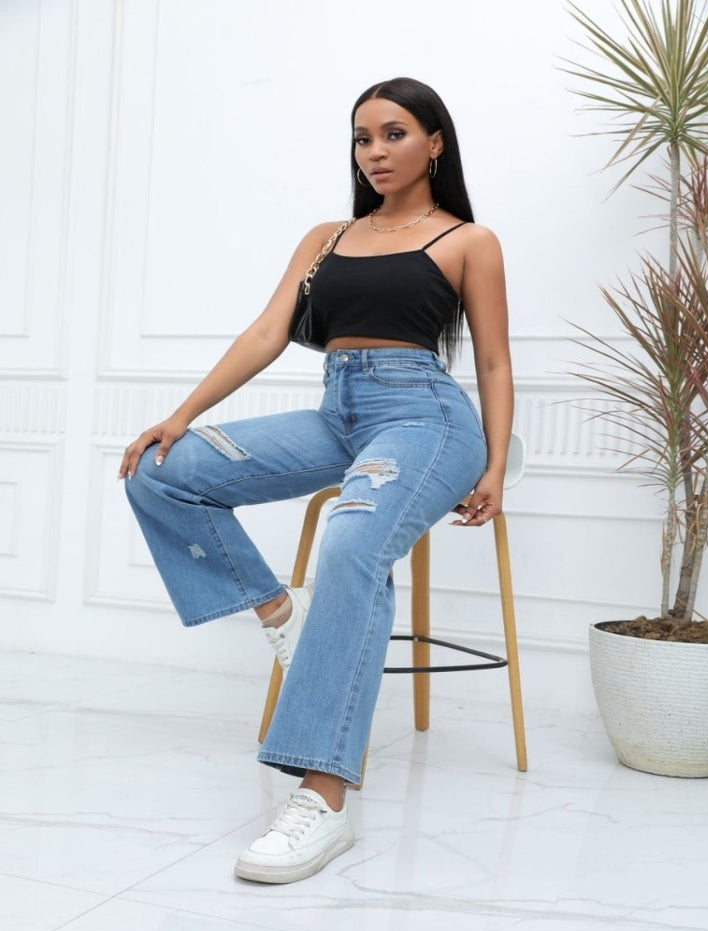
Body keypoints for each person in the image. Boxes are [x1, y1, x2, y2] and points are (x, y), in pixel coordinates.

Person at [119, 76, 512, 884]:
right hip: (339, 411)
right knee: (163, 471)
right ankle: (281, 612)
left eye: (395, 134)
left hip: (426, 420)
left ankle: (323, 798)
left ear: (435, 142)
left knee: (351, 543)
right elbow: (268, 331)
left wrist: (497, 464)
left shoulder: (468, 240)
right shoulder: (327, 237)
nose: (375, 152)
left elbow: (495, 362)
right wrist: (182, 414)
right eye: (363, 138)